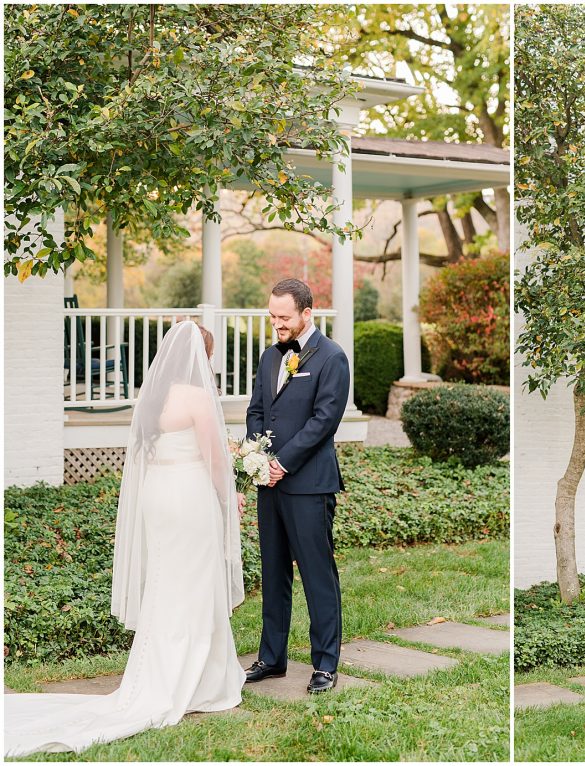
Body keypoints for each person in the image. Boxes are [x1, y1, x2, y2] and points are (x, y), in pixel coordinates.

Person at [5, 321, 246, 757]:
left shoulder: (150, 396)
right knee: (194, 582)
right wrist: (231, 497)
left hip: (157, 494)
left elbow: (142, 451)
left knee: (166, 581)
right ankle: (194, 681)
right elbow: (215, 459)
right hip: (189, 494)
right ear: (202, 355)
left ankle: (159, 672)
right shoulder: (196, 397)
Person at [243, 278, 350, 694]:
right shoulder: (270, 357)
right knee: (273, 573)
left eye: (283, 317)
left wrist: (283, 463)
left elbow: (323, 422)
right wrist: (259, 459)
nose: (277, 324)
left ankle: (325, 663)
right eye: (272, 316)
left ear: (308, 312)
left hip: (308, 484)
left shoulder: (332, 358)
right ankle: (272, 658)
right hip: (268, 484)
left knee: (316, 574)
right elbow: (257, 411)